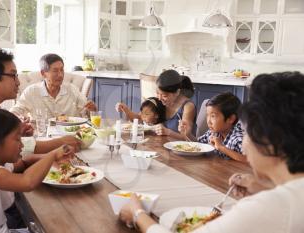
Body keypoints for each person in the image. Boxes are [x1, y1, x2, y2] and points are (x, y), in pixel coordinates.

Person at [119, 71, 304, 233]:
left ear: (272, 141)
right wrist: (266, 188)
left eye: (248, 131)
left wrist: (138, 214)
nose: (245, 143)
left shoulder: (265, 208)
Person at [0, 48, 80, 184]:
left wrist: (16, 133)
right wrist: (61, 143)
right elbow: (18, 149)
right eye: (13, 75)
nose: (18, 82)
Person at [0, 108, 74, 232]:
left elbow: (24, 162)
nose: (22, 145)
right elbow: (27, 182)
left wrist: (49, 160)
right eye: (17, 139)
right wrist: (52, 155)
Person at [10, 53, 97, 119]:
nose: (60, 75)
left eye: (62, 70)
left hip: (70, 137)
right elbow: (16, 112)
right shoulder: (32, 92)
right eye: (55, 71)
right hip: (44, 139)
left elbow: (86, 113)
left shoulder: (72, 90)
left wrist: (92, 110)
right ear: (43, 73)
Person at [181, 92, 246, 163]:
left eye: (213, 116)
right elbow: (199, 144)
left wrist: (221, 147)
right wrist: (188, 134)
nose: (208, 121)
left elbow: (249, 160)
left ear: (230, 119)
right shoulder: (213, 132)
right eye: (207, 115)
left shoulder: (238, 138)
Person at [154, 70, 196, 139]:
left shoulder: (187, 107)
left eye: (164, 96)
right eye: (157, 93)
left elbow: (187, 138)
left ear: (177, 92)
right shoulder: (161, 102)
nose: (159, 98)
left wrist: (168, 132)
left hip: (182, 148)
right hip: (162, 145)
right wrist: (158, 124)